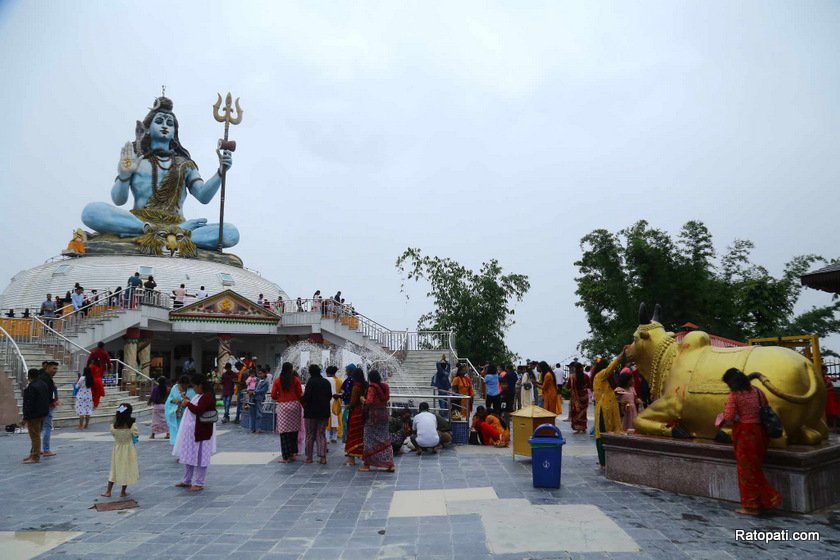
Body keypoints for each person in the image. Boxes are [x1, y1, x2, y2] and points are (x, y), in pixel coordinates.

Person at [720, 368, 782, 515]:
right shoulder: (758, 391)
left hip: (745, 434)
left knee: (746, 472)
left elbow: (729, 417)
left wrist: (722, 417)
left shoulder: (734, 396)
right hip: (760, 433)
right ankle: (762, 501)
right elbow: (766, 407)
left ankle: (753, 505)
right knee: (755, 468)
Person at [174, 374, 217, 491]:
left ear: (200, 385)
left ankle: (199, 482)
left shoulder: (207, 396)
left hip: (202, 431)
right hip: (192, 431)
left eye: (195, 386)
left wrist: (188, 404)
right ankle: (187, 479)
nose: (194, 389)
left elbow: (198, 410)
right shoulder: (199, 396)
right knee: (190, 455)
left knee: (201, 457)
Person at [360, 370, 395, 472]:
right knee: (385, 438)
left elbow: (369, 401)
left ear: (370, 378)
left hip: (373, 416)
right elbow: (386, 398)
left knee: (368, 438)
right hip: (384, 414)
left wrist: (362, 399)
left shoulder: (371, 387)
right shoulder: (385, 387)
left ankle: (367, 464)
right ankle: (390, 464)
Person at [102, 403, 140, 497]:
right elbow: (136, 434)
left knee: (114, 469)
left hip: (117, 449)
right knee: (125, 469)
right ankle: (123, 491)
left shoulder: (114, 425)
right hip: (129, 450)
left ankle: (108, 491)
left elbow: (114, 435)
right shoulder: (132, 424)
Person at [593, 353, 623, 468]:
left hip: (608, 407)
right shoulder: (601, 374)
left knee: (607, 432)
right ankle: (604, 462)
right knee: (603, 434)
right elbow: (611, 367)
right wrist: (621, 355)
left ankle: (607, 460)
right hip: (604, 409)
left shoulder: (600, 377)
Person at [300, 364, 332, 464]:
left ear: (310, 372)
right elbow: (329, 396)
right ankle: (323, 457)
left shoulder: (311, 382)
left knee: (310, 434)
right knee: (321, 434)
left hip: (311, 412)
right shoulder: (326, 382)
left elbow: (307, 397)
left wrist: (302, 398)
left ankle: (309, 458)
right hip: (324, 412)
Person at [272, 362, 303, 463]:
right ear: (291, 369)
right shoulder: (296, 380)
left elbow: (273, 395)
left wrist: (279, 397)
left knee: (284, 432)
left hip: (283, 406)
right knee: (294, 430)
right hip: (294, 405)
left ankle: (285, 457)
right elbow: (299, 393)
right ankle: (293, 454)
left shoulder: (277, 380)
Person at [22, 369, 51, 464]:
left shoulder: (32, 387)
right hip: (42, 414)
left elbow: (29, 403)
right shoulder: (43, 385)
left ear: (29, 376)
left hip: (33, 415)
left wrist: (25, 417)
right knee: (36, 435)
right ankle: (32, 453)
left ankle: (35, 456)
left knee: (35, 436)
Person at [344, 368, 367, 465]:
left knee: (352, 435)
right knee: (361, 435)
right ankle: (364, 457)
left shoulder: (356, 386)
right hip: (363, 412)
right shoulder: (365, 385)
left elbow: (353, 402)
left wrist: (347, 406)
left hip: (356, 413)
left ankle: (351, 460)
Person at [165, 375, 195, 446]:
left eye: (185, 385)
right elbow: (169, 400)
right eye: (182, 385)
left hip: (187, 414)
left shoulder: (192, 390)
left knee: (186, 432)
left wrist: (187, 401)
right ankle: (177, 445)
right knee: (177, 430)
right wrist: (173, 401)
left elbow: (194, 401)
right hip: (177, 414)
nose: (184, 386)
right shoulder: (175, 388)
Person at [39, 361, 59, 458]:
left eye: (56, 369)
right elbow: (48, 393)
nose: (55, 371)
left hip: (41, 406)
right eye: (54, 368)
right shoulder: (47, 379)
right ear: (48, 368)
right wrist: (52, 401)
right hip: (46, 406)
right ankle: (46, 450)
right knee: (47, 427)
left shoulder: (43, 378)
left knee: (39, 428)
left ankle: (36, 449)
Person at [568, 361, 589, 434]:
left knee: (576, 411)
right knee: (583, 413)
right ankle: (583, 427)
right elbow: (589, 385)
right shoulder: (586, 376)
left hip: (575, 397)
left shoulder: (572, 377)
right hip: (584, 396)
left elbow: (568, 386)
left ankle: (577, 428)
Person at [324, 366, 343, 443]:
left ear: (327, 373)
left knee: (327, 419)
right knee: (336, 419)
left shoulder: (325, 380)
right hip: (336, 401)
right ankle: (335, 437)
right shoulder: (339, 381)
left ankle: (327, 438)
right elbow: (341, 391)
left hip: (327, 400)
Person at [250, 368, 270, 433]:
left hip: (259, 398)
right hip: (253, 398)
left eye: (261, 373)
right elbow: (254, 388)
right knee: (252, 413)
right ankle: (253, 428)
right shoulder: (258, 381)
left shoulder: (266, 382)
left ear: (264, 374)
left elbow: (263, 390)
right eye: (259, 373)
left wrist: (254, 392)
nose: (260, 375)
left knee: (259, 414)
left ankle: (258, 428)